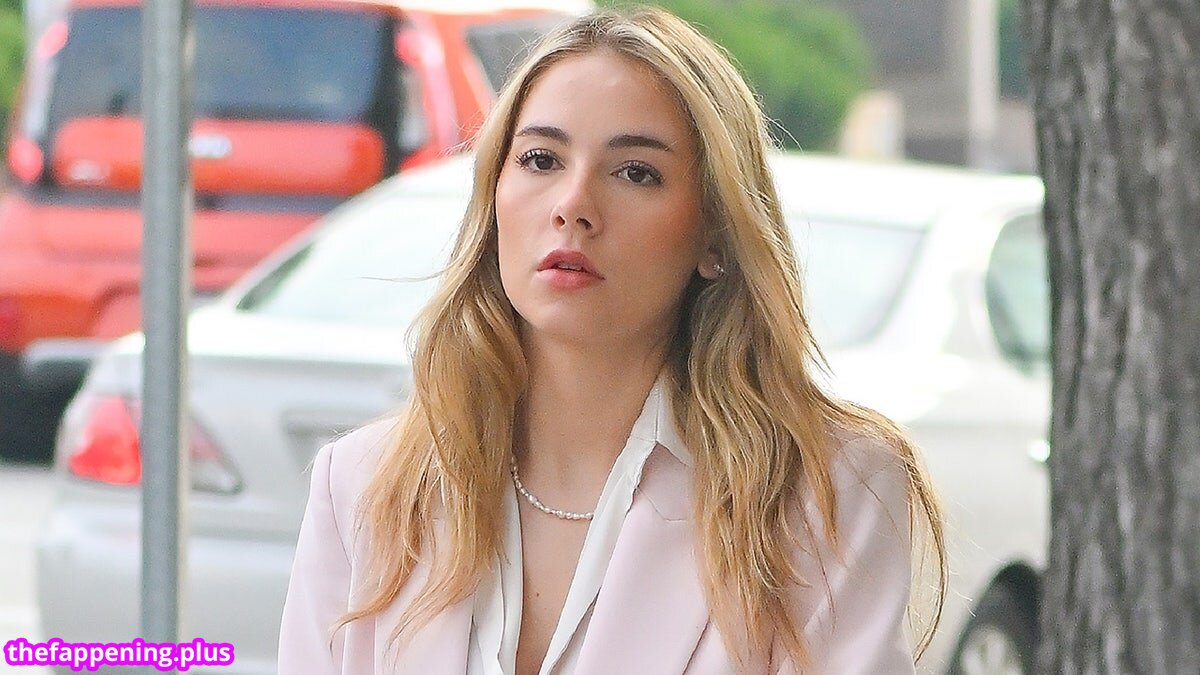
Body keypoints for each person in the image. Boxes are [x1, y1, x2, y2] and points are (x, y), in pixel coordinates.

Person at [278, 6, 946, 674]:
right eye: (541, 159)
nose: (573, 204)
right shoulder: (362, 486)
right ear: (494, 196)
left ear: (714, 234)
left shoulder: (827, 493)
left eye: (635, 172)